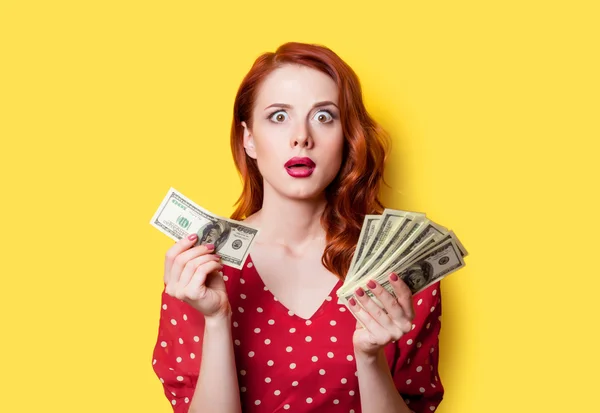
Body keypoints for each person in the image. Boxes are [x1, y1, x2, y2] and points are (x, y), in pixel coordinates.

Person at [152, 42, 444, 413]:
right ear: (249, 139)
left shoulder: (397, 269)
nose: (301, 137)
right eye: (278, 117)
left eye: (324, 117)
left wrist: (370, 359)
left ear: (347, 138)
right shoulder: (197, 273)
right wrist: (216, 319)